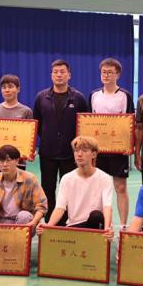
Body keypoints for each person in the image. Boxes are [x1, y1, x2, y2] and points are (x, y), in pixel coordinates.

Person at [33, 59, 89, 222]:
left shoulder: (78, 98)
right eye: (55, 72)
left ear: (69, 75)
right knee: (48, 188)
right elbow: (36, 124)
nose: (59, 75)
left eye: (62, 72)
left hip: (71, 154)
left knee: (70, 188)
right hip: (47, 153)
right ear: (51, 75)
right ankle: (50, 223)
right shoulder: (41, 97)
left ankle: (68, 222)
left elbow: (84, 126)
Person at [89, 58, 135, 229]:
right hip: (98, 151)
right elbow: (88, 123)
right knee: (97, 187)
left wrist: (129, 145)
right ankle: (99, 223)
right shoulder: (94, 95)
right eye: (103, 72)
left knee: (120, 187)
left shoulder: (125, 96)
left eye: (110, 72)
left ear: (118, 74)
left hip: (118, 150)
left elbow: (130, 122)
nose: (106, 75)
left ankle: (123, 225)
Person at [40, 136, 113, 237]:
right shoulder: (67, 178)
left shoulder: (105, 178)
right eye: (76, 150)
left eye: (84, 150)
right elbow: (60, 208)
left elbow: (107, 206)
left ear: (94, 154)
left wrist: (107, 229)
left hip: (96, 226)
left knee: (96, 216)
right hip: (75, 226)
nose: (79, 154)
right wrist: (48, 227)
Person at [0, 145, 47, 231]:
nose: (4, 164)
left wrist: (34, 222)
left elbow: (42, 205)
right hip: (0, 222)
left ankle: (20, 238)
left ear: (17, 161)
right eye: (1, 161)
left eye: (8, 160)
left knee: (24, 216)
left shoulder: (30, 179)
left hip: (24, 222)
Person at [0, 74, 33, 176]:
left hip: (18, 161)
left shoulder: (26, 111)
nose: (7, 90)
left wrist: (30, 151)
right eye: (4, 87)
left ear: (18, 89)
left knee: (18, 185)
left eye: (10, 87)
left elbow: (29, 137)